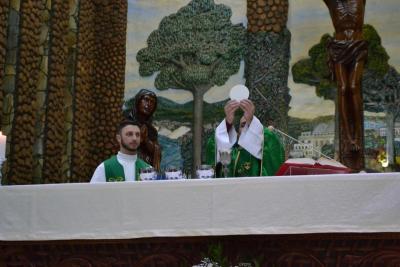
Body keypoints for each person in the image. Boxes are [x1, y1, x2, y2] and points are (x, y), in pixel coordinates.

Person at [324, 0, 367, 170]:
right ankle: (349, 138)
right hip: (338, 47)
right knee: (343, 88)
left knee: (354, 87)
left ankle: (357, 135)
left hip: (357, 45)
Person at [206, 99, 285, 177]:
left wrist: (251, 119)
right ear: (238, 133)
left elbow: (272, 145)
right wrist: (227, 123)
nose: (247, 128)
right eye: (243, 125)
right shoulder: (232, 154)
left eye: (250, 125)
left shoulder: (263, 152)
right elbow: (214, 146)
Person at [127, 89, 161, 171]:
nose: (149, 104)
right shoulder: (126, 123)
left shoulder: (152, 130)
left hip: (146, 170)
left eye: (152, 102)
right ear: (138, 101)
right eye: (146, 100)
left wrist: (146, 139)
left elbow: (156, 150)